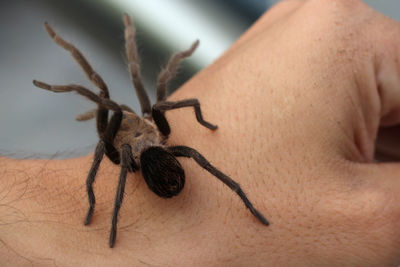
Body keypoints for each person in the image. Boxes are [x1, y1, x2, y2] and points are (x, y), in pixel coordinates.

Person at [2, 0, 400, 265]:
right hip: (152, 159)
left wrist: (98, 199)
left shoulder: (126, 143)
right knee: (146, 93)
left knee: (133, 89)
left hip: (149, 160)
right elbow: (166, 106)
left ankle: (242, 199)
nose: (127, 120)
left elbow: (127, 121)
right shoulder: (140, 139)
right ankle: (241, 200)